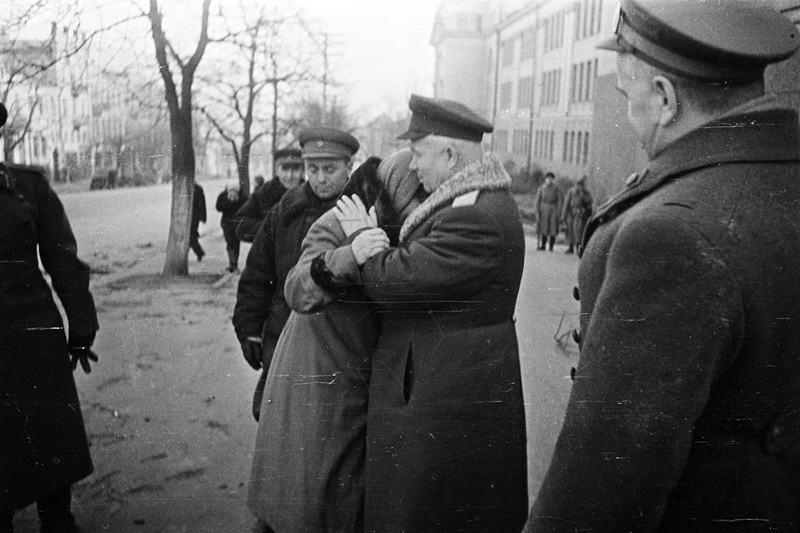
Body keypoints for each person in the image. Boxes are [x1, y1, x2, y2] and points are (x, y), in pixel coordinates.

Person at [524, 1, 800, 531]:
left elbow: (598, 495)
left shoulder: (669, 236)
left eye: (629, 98)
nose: (629, 118)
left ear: (665, 99)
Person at [332, 94, 528, 532]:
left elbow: (392, 281)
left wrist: (363, 237)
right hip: (443, 393)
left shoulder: (474, 217)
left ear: (450, 153)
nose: (412, 165)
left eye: (418, 154)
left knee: (429, 516)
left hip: (443, 402)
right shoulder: (467, 205)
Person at [247, 149, 426, 533]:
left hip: (353, 381)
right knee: (310, 497)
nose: (420, 208)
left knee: (335, 497)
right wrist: (349, 255)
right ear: (393, 193)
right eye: (416, 198)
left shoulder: (401, 231)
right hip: (318, 376)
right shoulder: (338, 221)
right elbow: (297, 289)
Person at [0, 102, 100, 533]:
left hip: (31, 331)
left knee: (47, 427)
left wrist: (81, 327)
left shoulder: (27, 186)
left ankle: (56, 517)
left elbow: (62, 258)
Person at [232, 127, 359, 423]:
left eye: (330, 169)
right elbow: (257, 275)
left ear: (349, 167)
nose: (320, 178)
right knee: (277, 424)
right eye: (312, 168)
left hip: (341, 353)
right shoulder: (285, 211)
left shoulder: (361, 212)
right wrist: (249, 327)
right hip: (283, 341)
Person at [234, 148, 304, 243]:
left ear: (303, 171)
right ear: (277, 171)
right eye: (285, 169)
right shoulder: (264, 193)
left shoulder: (311, 194)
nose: (290, 175)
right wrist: (272, 230)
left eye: (295, 169)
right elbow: (240, 224)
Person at [216, 183, 247, 273]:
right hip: (227, 223)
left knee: (236, 243)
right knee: (230, 242)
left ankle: (234, 264)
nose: (232, 192)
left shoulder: (243, 198)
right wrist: (229, 202)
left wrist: (236, 202)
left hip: (238, 224)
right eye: (230, 190)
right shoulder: (222, 196)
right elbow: (218, 207)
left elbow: (246, 208)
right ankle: (232, 264)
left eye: (234, 190)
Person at [561, 175, 593, 254]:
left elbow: (589, 201)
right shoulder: (571, 192)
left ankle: (579, 247)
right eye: (578, 184)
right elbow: (566, 204)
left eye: (581, 185)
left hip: (581, 214)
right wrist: (563, 216)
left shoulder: (585, 193)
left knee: (579, 231)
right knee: (570, 231)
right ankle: (570, 247)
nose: (580, 186)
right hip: (572, 213)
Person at [533, 172, 562, 251]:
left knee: (553, 227)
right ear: (545, 179)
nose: (549, 180)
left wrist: (559, 212)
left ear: (553, 180)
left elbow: (559, 201)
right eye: (548, 178)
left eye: (551, 179)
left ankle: (551, 246)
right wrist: (537, 211)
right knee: (543, 227)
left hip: (553, 208)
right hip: (544, 208)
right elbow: (537, 200)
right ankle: (543, 245)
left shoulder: (556, 189)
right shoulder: (542, 188)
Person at [189, 182, 206, 261]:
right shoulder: (198, 188)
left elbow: (202, 203)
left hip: (194, 216)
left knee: (190, 236)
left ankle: (199, 252)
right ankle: (199, 252)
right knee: (191, 236)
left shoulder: (198, 189)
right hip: (192, 216)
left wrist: (203, 217)